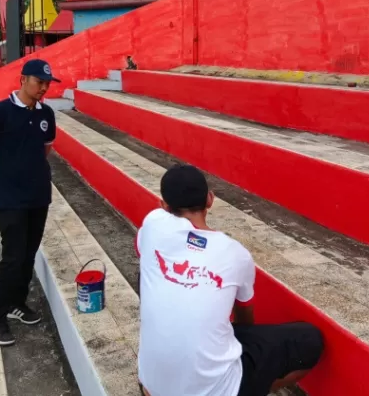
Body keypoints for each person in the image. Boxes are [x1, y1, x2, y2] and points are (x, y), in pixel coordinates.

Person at [137, 165, 324, 396]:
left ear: (164, 205)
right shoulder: (234, 253)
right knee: (309, 339)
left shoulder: (152, 224)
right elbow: (246, 317)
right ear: (210, 199)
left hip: (151, 387)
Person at [0, 58, 60, 346]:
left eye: (47, 83)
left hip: (38, 195)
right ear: (22, 80)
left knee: (28, 254)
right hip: (10, 197)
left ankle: (17, 304)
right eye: (39, 82)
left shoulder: (46, 113)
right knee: (12, 257)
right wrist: (4, 177)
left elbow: (44, 149)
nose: (44, 88)